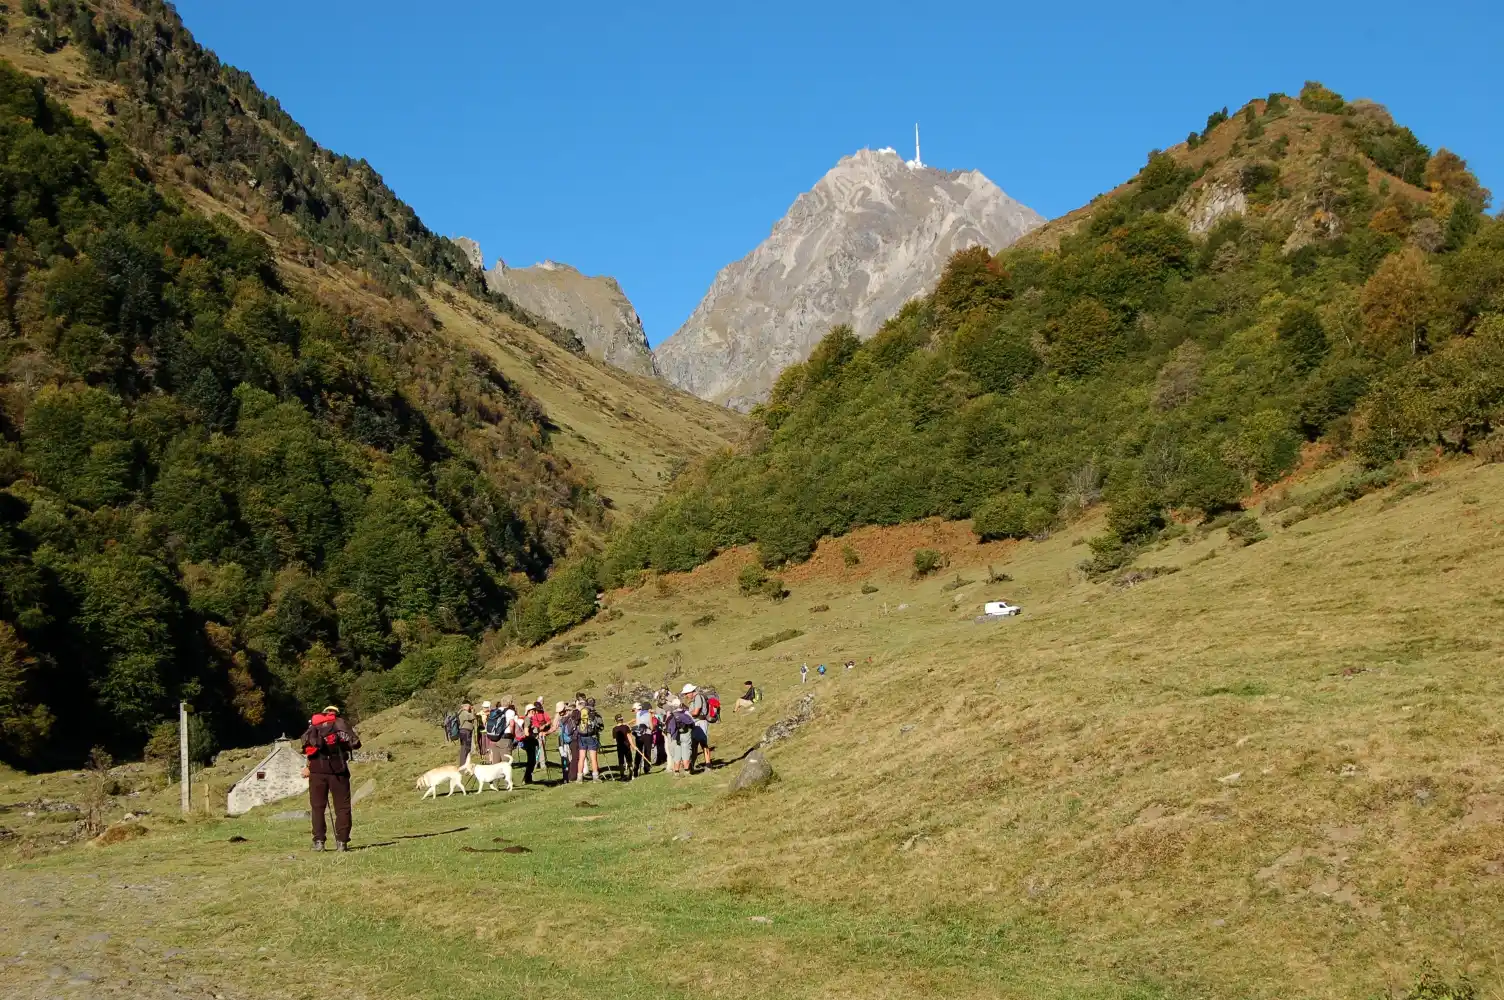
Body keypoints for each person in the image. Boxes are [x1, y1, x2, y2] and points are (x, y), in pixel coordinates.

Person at [300, 705, 360, 852]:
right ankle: (342, 842)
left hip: (317, 770)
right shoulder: (341, 724)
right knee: (342, 808)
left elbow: (308, 747)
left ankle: (319, 842)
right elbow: (355, 743)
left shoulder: (315, 726)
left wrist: (307, 766)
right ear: (336, 713)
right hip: (338, 770)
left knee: (318, 808)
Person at [683, 683, 713, 771]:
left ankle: (708, 764)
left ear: (691, 692)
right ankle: (692, 765)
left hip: (700, 722)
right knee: (694, 744)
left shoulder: (698, 697)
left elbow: (696, 712)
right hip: (697, 723)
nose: (686, 695)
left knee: (702, 743)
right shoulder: (695, 699)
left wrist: (687, 713)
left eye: (686, 693)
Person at [665, 697, 695, 776]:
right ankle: (687, 771)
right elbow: (692, 723)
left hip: (676, 737)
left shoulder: (671, 716)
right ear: (680, 705)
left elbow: (668, 728)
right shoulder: (686, 713)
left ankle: (676, 772)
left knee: (677, 754)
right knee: (686, 752)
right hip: (686, 734)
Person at [523, 699, 550, 784]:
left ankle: (528, 779)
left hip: (530, 741)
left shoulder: (530, 719)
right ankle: (526, 779)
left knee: (532, 761)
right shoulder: (527, 719)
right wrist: (534, 736)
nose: (535, 712)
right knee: (531, 761)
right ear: (529, 711)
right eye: (533, 710)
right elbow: (526, 733)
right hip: (529, 742)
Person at [630, 702, 655, 777]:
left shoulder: (638, 714)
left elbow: (637, 723)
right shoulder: (649, 714)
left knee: (639, 752)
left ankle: (636, 768)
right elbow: (651, 725)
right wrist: (653, 728)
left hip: (639, 735)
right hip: (647, 734)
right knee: (647, 751)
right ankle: (646, 768)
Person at [555, 700, 577, 784]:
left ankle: (566, 777)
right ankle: (567, 777)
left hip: (563, 741)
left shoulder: (560, 718)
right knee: (566, 759)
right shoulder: (569, 716)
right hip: (566, 740)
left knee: (565, 759)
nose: (560, 713)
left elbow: (556, 728)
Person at [611, 714, 634, 781]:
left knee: (621, 762)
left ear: (616, 721)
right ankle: (631, 774)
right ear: (622, 719)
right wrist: (632, 745)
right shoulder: (626, 727)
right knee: (629, 760)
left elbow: (615, 739)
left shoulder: (614, 729)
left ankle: (622, 775)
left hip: (619, 747)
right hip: (627, 746)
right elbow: (629, 736)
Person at [456, 700, 476, 767]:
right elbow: (472, 717)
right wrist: (473, 711)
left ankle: (465, 764)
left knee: (465, 748)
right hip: (465, 732)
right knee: (465, 748)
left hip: (464, 732)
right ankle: (463, 765)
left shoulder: (462, 712)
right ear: (466, 706)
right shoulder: (464, 712)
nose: (470, 707)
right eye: (469, 706)